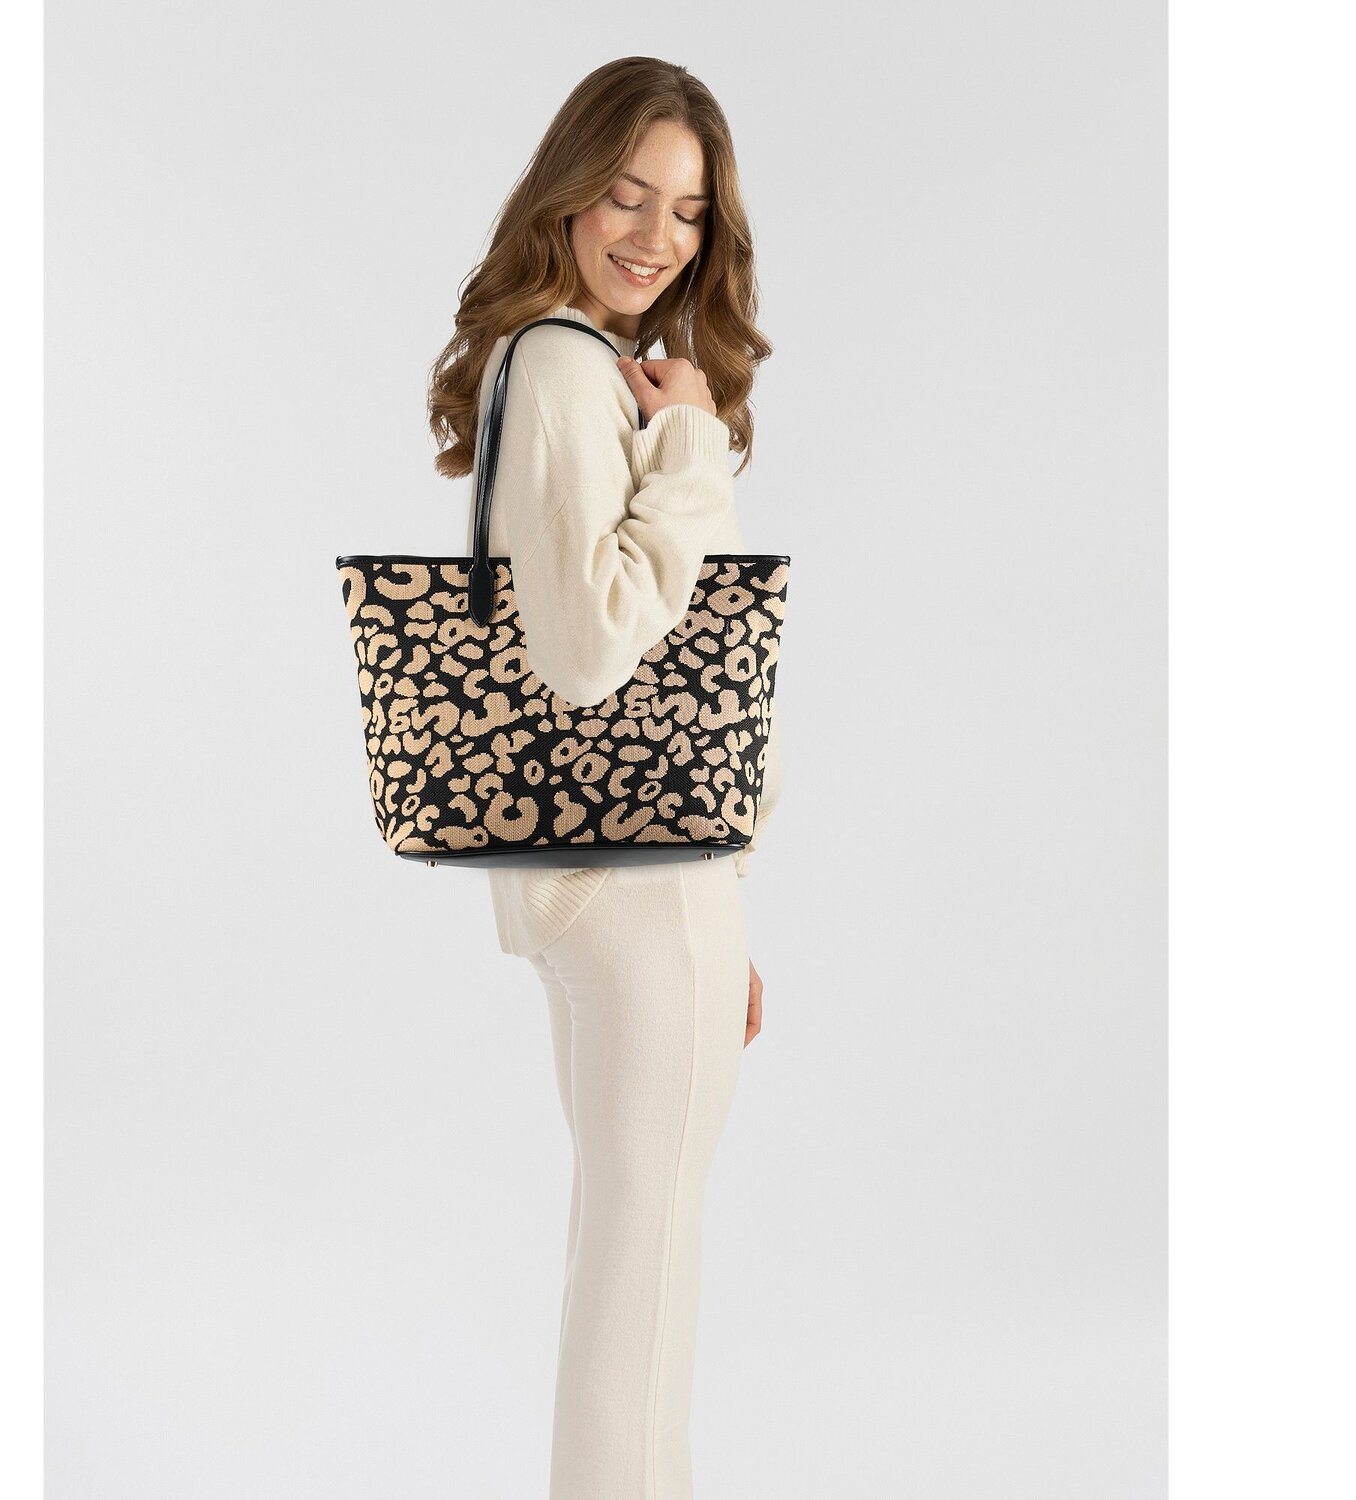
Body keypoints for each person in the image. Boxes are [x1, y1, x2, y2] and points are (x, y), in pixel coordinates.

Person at [427, 56, 784, 1499]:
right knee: (643, 1294)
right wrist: (691, 439)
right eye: (628, 195)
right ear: (568, 192)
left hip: (615, 891)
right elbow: (588, 651)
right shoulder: (576, 369)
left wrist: (721, 909)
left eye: (688, 211)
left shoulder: (542, 362)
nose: (655, 236)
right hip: (643, 895)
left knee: (623, 1275)